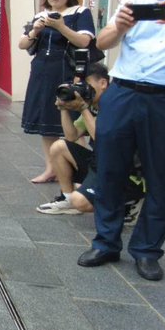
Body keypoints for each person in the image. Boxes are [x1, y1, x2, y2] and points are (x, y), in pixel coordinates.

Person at [76, 0, 165, 281]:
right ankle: (106, 242)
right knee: (110, 169)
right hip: (123, 92)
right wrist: (121, 27)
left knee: (161, 177)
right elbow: (103, 41)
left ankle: (147, 251)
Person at [36, 63, 143, 217]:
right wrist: (64, 108)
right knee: (58, 147)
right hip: (102, 163)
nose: (83, 90)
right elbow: (71, 136)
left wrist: (83, 108)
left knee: (80, 202)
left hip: (125, 172)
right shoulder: (92, 106)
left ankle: (129, 204)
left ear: (103, 83)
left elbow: (104, 140)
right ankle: (67, 199)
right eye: (79, 86)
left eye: (87, 84)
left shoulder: (115, 105)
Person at [18, 0, 95, 183]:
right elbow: (22, 44)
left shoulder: (80, 12)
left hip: (68, 72)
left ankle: (83, 172)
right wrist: (35, 30)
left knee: (73, 124)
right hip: (42, 71)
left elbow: (84, 41)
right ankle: (51, 169)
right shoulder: (40, 15)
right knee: (46, 122)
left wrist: (61, 26)